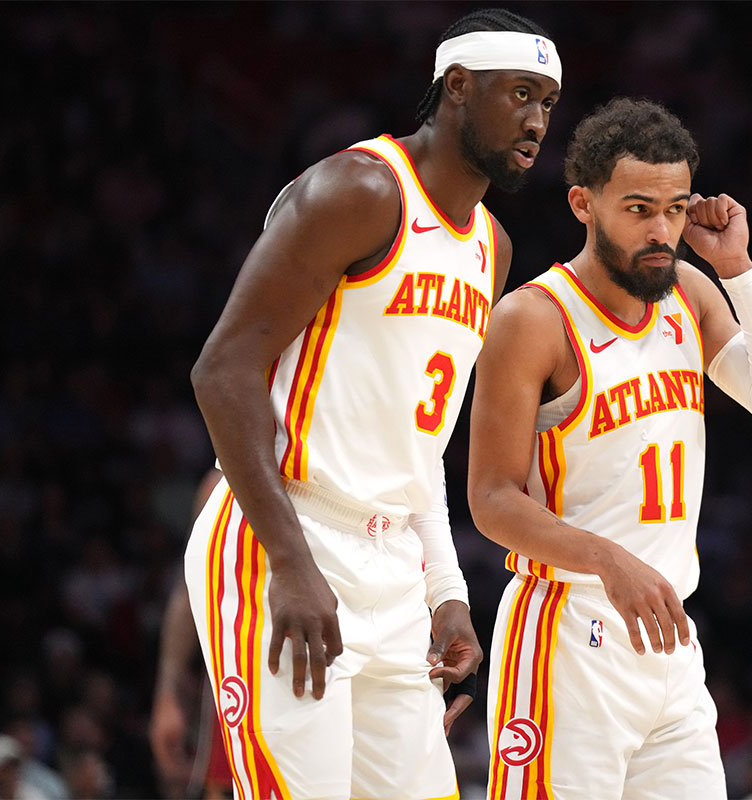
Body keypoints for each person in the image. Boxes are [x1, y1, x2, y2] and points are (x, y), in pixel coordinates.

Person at [184, 9, 562, 800]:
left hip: (391, 562)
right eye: (520, 94)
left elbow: (422, 443)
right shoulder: (358, 188)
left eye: (549, 103)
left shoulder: (491, 248)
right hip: (282, 533)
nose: (536, 121)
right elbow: (223, 370)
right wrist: (289, 562)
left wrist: (446, 592)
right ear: (457, 86)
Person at [468, 97, 752, 799]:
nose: (663, 230)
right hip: (568, 634)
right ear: (583, 203)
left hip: (670, 646)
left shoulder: (689, 291)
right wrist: (607, 559)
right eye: (638, 209)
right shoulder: (533, 319)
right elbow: (490, 499)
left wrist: (739, 270)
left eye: (677, 208)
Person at [150, 467, 232, 799]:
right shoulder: (219, 485)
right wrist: (168, 693)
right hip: (239, 672)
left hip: (343, 660)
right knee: (224, 789)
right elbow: (188, 590)